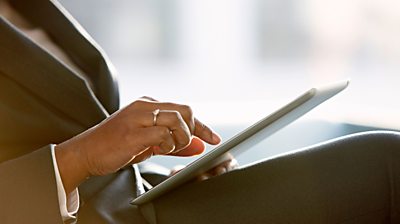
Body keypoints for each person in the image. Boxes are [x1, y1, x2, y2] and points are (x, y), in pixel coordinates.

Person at [1, 0, 400, 223]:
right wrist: (80, 157)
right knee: (386, 165)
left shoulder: (35, 11)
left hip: (146, 206)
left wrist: (164, 179)